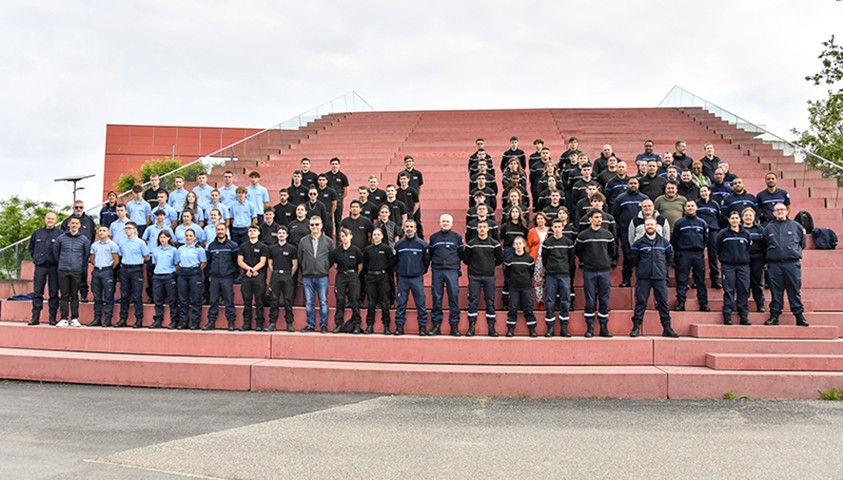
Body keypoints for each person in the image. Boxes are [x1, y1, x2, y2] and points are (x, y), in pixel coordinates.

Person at [629, 217, 679, 338]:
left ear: (656, 226)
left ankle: (667, 328)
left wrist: (662, 268)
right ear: (644, 227)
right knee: (641, 302)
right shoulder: (638, 243)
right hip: (643, 278)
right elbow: (634, 259)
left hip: (660, 277)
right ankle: (636, 327)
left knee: (663, 303)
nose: (650, 226)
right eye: (647, 225)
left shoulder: (665, 243)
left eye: (652, 224)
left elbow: (670, 257)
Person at [764, 203, 809, 327]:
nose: (780, 212)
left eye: (782, 209)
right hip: (774, 264)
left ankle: (799, 316)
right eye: (777, 210)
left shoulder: (796, 227)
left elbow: (802, 243)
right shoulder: (768, 228)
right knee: (775, 291)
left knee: (794, 290)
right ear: (773, 213)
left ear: (787, 211)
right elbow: (765, 245)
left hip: (791, 263)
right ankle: (775, 315)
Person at [575, 208, 616, 337]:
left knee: (604, 299)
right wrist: (587, 260)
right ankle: (590, 327)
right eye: (596, 217)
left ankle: (604, 327)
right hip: (589, 271)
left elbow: (612, 251)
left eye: (600, 217)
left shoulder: (608, 234)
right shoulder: (583, 235)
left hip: (604, 270)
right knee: (590, 300)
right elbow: (578, 251)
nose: (599, 219)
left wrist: (605, 260)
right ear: (590, 219)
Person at [463, 219, 503, 337]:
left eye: (484, 227)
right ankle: (471, 327)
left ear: (488, 229)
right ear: (477, 229)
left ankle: (491, 327)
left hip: (489, 276)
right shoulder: (471, 243)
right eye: (479, 227)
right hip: (474, 276)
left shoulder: (494, 243)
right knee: (473, 301)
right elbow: (466, 259)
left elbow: (499, 259)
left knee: (490, 302)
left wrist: (489, 266)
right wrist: (475, 267)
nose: (481, 229)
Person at [428, 214, 464, 336]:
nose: (445, 223)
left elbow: (460, 254)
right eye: (443, 221)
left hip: (452, 270)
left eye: (447, 221)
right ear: (440, 222)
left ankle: (454, 325)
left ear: (452, 223)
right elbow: (430, 253)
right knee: (437, 298)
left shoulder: (457, 237)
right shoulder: (433, 237)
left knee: (453, 297)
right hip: (437, 270)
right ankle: (436, 325)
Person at [393, 220, 430, 336]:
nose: (409, 229)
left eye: (411, 227)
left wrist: (420, 271)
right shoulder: (399, 244)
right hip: (402, 279)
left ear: (415, 229)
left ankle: (422, 327)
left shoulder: (422, 244)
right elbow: (394, 261)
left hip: (416, 278)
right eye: (407, 226)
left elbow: (426, 261)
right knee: (401, 304)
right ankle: (399, 326)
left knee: (421, 304)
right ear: (404, 229)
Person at [53, 217, 91, 327]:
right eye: (72, 223)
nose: (74, 225)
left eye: (76, 223)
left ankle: (74, 318)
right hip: (63, 270)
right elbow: (56, 253)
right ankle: (64, 318)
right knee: (64, 295)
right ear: (69, 225)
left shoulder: (84, 240)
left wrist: (78, 265)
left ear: (79, 225)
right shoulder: (61, 238)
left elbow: (86, 255)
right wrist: (62, 263)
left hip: (76, 271)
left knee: (74, 294)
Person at [672, 200, 710, 312]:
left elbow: (706, 238)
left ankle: (703, 303)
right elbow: (675, 239)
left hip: (698, 254)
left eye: (692, 206)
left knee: (700, 280)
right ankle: (680, 303)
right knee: (682, 280)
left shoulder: (702, 223)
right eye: (688, 206)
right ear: (684, 208)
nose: (690, 208)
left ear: (696, 208)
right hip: (683, 254)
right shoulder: (679, 223)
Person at [298, 216, 333, 332]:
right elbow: (300, 257)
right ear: (309, 226)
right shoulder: (303, 241)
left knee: (323, 301)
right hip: (308, 276)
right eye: (312, 225)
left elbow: (331, 258)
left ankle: (324, 325)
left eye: (317, 224)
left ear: (321, 225)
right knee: (309, 302)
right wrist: (306, 268)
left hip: (322, 275)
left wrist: (324, 267)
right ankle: (310, 325)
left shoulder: (328, 241)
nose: (314, 227)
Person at [717, 211, 752, 326]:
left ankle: (743, 316)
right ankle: (727, 315)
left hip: (743, 266)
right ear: (729, 220)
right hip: (728, 266)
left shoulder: (745, 233)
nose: (735, 220)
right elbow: (718, 248)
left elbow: (749, 249)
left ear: (740, 220)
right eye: (732, 218)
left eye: (737, 218)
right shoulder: (723, 233)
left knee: (743, 290)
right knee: (729, 290)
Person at [542, 218, 575, 337]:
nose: (557, 229)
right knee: (550, 302)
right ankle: (550, 328)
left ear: (563, 228)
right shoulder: (547, 243)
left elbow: (571, 260)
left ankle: (564, 328)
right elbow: (544, 259)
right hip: (551, 275)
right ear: (551, 228)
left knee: (565, 301)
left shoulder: (568, 242)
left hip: (564, 275)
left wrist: (567, 271)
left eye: (559, 227)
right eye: (554, 227)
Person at [28, 212, 62, 326]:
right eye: (48, 218)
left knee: (53, 293)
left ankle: (52, 318)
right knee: (37, 292)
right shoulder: (37, 233)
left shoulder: (60, 234)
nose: (50, 220)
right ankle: (35, 317)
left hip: (54, 267)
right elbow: (31, 248)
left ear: (55, 220)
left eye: (52, 219)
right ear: (45, 219)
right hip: (40, 267)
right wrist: (36, 259)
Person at [612, 178, 647, 287]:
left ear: (638, 185)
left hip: (642, 231)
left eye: (635, 183)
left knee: (642, 255)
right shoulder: (620, 199)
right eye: (631, 183)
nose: (633, 185)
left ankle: (641, 280)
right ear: (627, 185)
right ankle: (626, 280)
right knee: (628, 255)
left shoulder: (644, 199)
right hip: (625, 231)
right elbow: (616, 214)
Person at [204, 223, 239, 331]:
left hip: (227, 277)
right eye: (218, 229)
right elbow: (208, 262)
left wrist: (233, 275)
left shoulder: (232, 245)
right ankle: (211, 321)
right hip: (214, 277)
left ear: (226, 231)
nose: (220, 231)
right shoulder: (211, 246)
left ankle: (231, 322)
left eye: (222, 229)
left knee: (229, 300)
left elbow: (235, 262)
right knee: (213, 300)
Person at [61, 200, 96, 302]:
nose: (78, 209)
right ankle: (69, 296)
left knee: (83, 275)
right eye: (76, 207)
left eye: (80, 207)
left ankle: (84, 295)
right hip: (69, 255)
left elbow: (92, 236)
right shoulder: (66, 221)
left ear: (83, 208)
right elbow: (62, 237)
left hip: (83, 254)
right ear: (73, 208)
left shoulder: (89, 221)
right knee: (69, 277)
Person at [330, 227, 363, 334]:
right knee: (340, 299)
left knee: (354, 299)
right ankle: (339, 324)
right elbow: (335, 265)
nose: (344, 238)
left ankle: (357, 324)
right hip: (341, 276)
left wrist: (353, 274)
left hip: (353, 275)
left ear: (351, 236)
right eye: (342, 236)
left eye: (346, 236)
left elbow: (360, 265)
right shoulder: (336, 251)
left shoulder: (356, 251)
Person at [116, 222, 149, 328]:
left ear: (135, 230)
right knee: (124, 296)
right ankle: (122, 319)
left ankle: (139, 319)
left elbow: (146, 256)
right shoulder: (122, 242)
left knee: (137, 296)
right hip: (125, 269)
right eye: (125, 228)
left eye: (129, 228)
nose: (127, 230)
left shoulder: (140, 243)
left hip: (136, 269)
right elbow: (120, 255)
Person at [363, 228, 395, 335]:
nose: (376, 236)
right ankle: (369, 325)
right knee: (371, 302)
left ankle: (386, 326)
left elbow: (391, 264)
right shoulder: (367, 249)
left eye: (378, 234)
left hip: (383, 277)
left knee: (384, 302)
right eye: (374, 234)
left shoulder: (386, 249)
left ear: (382, 236)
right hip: (371, 278)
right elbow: (365, 263)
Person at [266, 225, 298, 332]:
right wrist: (275, 272)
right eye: (279, 233)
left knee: (288, 300)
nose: (281, 235)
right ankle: (272, 323)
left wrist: (289, 275)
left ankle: (289, 323)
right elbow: (270, 263)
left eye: (283, 233)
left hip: (287, 275)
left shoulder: (292, 249)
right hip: (275, 275)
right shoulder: (272, 248)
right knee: (274, 300)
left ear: (287, 235)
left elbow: (295, 265)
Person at [503, 236, 537, 337]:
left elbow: (531, 272)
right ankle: (510, 330)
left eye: (520, 243)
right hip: (514, 288)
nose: (518, 245)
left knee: (528, 308)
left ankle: (532, 329)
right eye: (516, 244)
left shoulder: (529, 259)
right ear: (513, 246)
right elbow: (507, 273)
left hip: (526, 287)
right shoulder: (509, 260)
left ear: (524, 245)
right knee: (512, 308)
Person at [238, 225, 269, 331]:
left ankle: (259, 323)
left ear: (258, 233)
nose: (252, 232)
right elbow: (240, 261)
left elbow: (263, 262)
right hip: (246, 277)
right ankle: (247, 323)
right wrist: (249, 270)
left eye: (254, 231)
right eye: (250, 231)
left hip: (258, 277)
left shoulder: (263, 247)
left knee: (259, 301)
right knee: (247, 302)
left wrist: (253, 270)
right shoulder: (243, 246)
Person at [88, 226, 119, 327]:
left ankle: (108, 319)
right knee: (97, 297)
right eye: (100, 231)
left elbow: (116, 260)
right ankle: (97, 318)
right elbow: (92, 258)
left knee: (108, 297)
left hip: (107, 271)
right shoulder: (94, 245)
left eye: (104, 231)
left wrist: (109, 269)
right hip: (97, 271)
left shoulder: (113, 245)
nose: (102, 233)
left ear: (108, 232)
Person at [142, 209, 174, 301]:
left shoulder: (168, 229)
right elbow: (144, 240)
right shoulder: (150, 228)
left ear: (164, 216)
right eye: (157, 215)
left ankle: (165, 296)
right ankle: (151, 296)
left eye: (161, 215)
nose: (159, 217)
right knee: (151, 277)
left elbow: (173, 241)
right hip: (152, 255)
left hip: (164, 256)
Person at [177, 229, 206, 330]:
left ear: (194, 237)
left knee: (195, 298)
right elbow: (177, 262)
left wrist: (196, 270)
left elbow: (203, 262)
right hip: (182, 273)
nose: (188, 238)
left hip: (194, 273)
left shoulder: (199, 249)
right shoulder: (180, 249)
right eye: (187, 236)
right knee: (183, 299)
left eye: (190, 236)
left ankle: (195, 322)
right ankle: (184, 321)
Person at [500, 205, 529, 305]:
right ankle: (505, 301)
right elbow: (501, 240)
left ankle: (520, 302)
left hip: (521, 251)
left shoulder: (524, 228)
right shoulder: (505, 226)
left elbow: (526, 241)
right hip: (508, 251)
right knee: (508, 277)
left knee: (520, 275)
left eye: (517, 212)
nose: (515, 213)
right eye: (513, 212)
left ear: (520, 214)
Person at [151, 230, 179, 330]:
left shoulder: (173, 250)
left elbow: (177, 264)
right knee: (158, 300)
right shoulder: (155, 250)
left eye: (164, 237)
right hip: (157, 276)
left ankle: (174, 320)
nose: (162, 239)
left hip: (169, 276)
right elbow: (155, 263)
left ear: (169, 238)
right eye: (161, 237)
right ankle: (158, 320)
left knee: (172, 299)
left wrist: (171, 272)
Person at [742, 208, 767, 313]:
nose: (748, 217)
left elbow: (766, 244)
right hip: (743, 260)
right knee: (743, 283)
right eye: (746, 215)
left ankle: (760, 304)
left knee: (757, 283)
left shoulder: (760, 229)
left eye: (750, 215)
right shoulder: (739, 229)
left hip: (757, 259)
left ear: (754, 217)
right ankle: (743, 305)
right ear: (742, 217)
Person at [527, 212, 550, 306]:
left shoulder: (550, 230)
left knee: (548, 278)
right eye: (538, 219)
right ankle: (539, 299)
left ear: (545, 220)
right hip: (536, 257)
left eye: (542, 218)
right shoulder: (532, 231)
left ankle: (548, 299)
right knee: (537, 279)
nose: (540, 220)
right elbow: (529, 245)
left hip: (548, 257)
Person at [324, 157, 350, 237]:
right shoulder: (327, 175)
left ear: (339, 165)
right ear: (330, 165)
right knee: (328, 220)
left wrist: (339, 198)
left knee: (338, 221)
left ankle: (339, 239)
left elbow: (346, 190)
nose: (334, 166)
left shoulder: (343, 176)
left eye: (336, 164)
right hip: (328, 201)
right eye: (333, 164)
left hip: (338, 201)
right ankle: (329, 238)